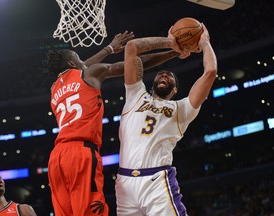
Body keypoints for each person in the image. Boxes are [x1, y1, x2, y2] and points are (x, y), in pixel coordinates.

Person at [44, 30, 184, 216]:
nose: (84, 62)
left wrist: (109, 49)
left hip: (56, 157)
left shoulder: (54, 88)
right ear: (72, 64)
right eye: (79, 59)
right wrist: (175, 51)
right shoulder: (89, 73)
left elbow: (83, 66)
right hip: (81, 153)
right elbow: (134, 65)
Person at [115, 23, 217, 216]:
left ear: (175, 89)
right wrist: (171, 44)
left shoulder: (182, 109)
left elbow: (210, 72)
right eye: (161, 73)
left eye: (170, 76)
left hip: (156, 182)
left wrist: (205, 43)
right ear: (152, 82)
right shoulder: (135, 95)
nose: (164, 74)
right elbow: (132, 48)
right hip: (124, 184)